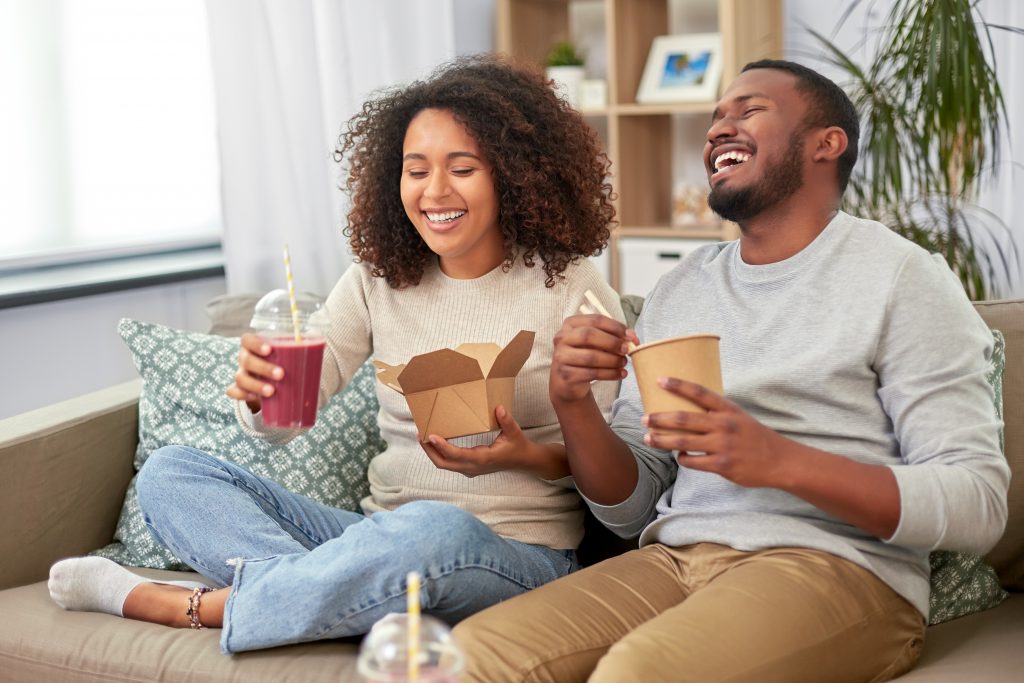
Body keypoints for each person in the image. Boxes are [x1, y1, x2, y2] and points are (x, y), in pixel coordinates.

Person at [452, 59, 1010, 683]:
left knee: (636, 675)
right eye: (716, 117)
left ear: (827, 144)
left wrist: (779, 461)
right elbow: (632, 510)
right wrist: (574, 404)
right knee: (462, 661)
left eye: (748, 111)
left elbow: (979, 503)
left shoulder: (902, 276)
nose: (719, 128)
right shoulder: (683, 287)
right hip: (674, 557)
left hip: (837, 567)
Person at [47, 54, 624, 654]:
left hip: (514, 557)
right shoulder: (379, 280)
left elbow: (615, 480)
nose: (435, 191)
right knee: (171, 474)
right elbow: (286, 418)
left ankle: (191, 606)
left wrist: (527, 456)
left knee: (433, 529)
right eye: (415, 170)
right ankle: (351, 595)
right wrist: (263, 395)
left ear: (512, 174)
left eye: (463, 168)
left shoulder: (573, 289)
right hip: (375, 536)